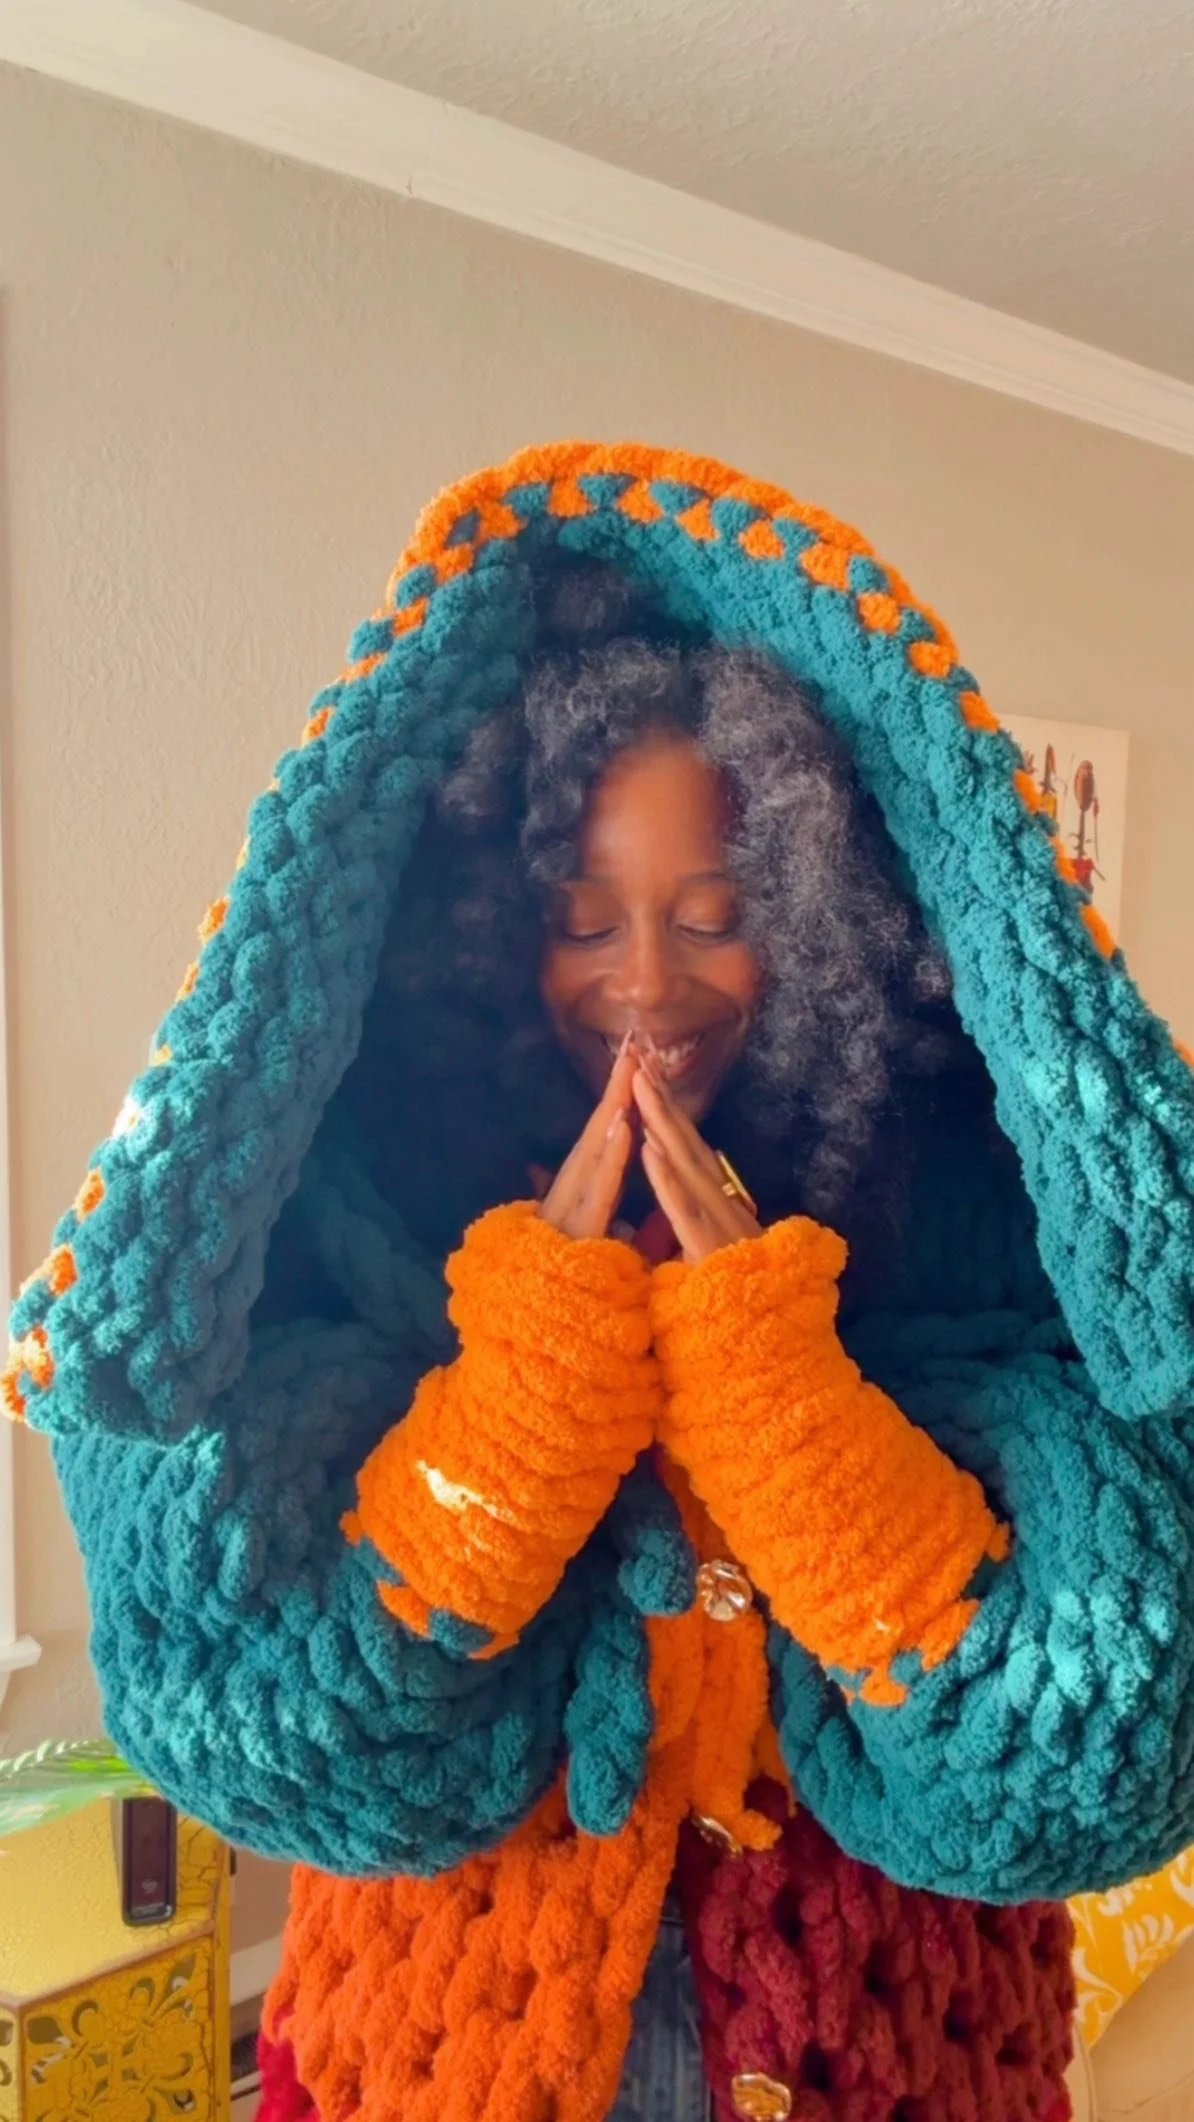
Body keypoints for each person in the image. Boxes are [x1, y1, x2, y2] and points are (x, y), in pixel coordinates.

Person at [9, 440, 1194, 2122]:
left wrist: (780, 1390)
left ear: (822, 910)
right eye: (583, 919)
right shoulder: (352, 1207)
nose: (646, 984)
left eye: (713, 916)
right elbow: (252, 1724)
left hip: (905, 2049)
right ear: (489, 922)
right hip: (431, 2053)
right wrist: (525, 1375)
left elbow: (1110, 1753)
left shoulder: (981, 1205)